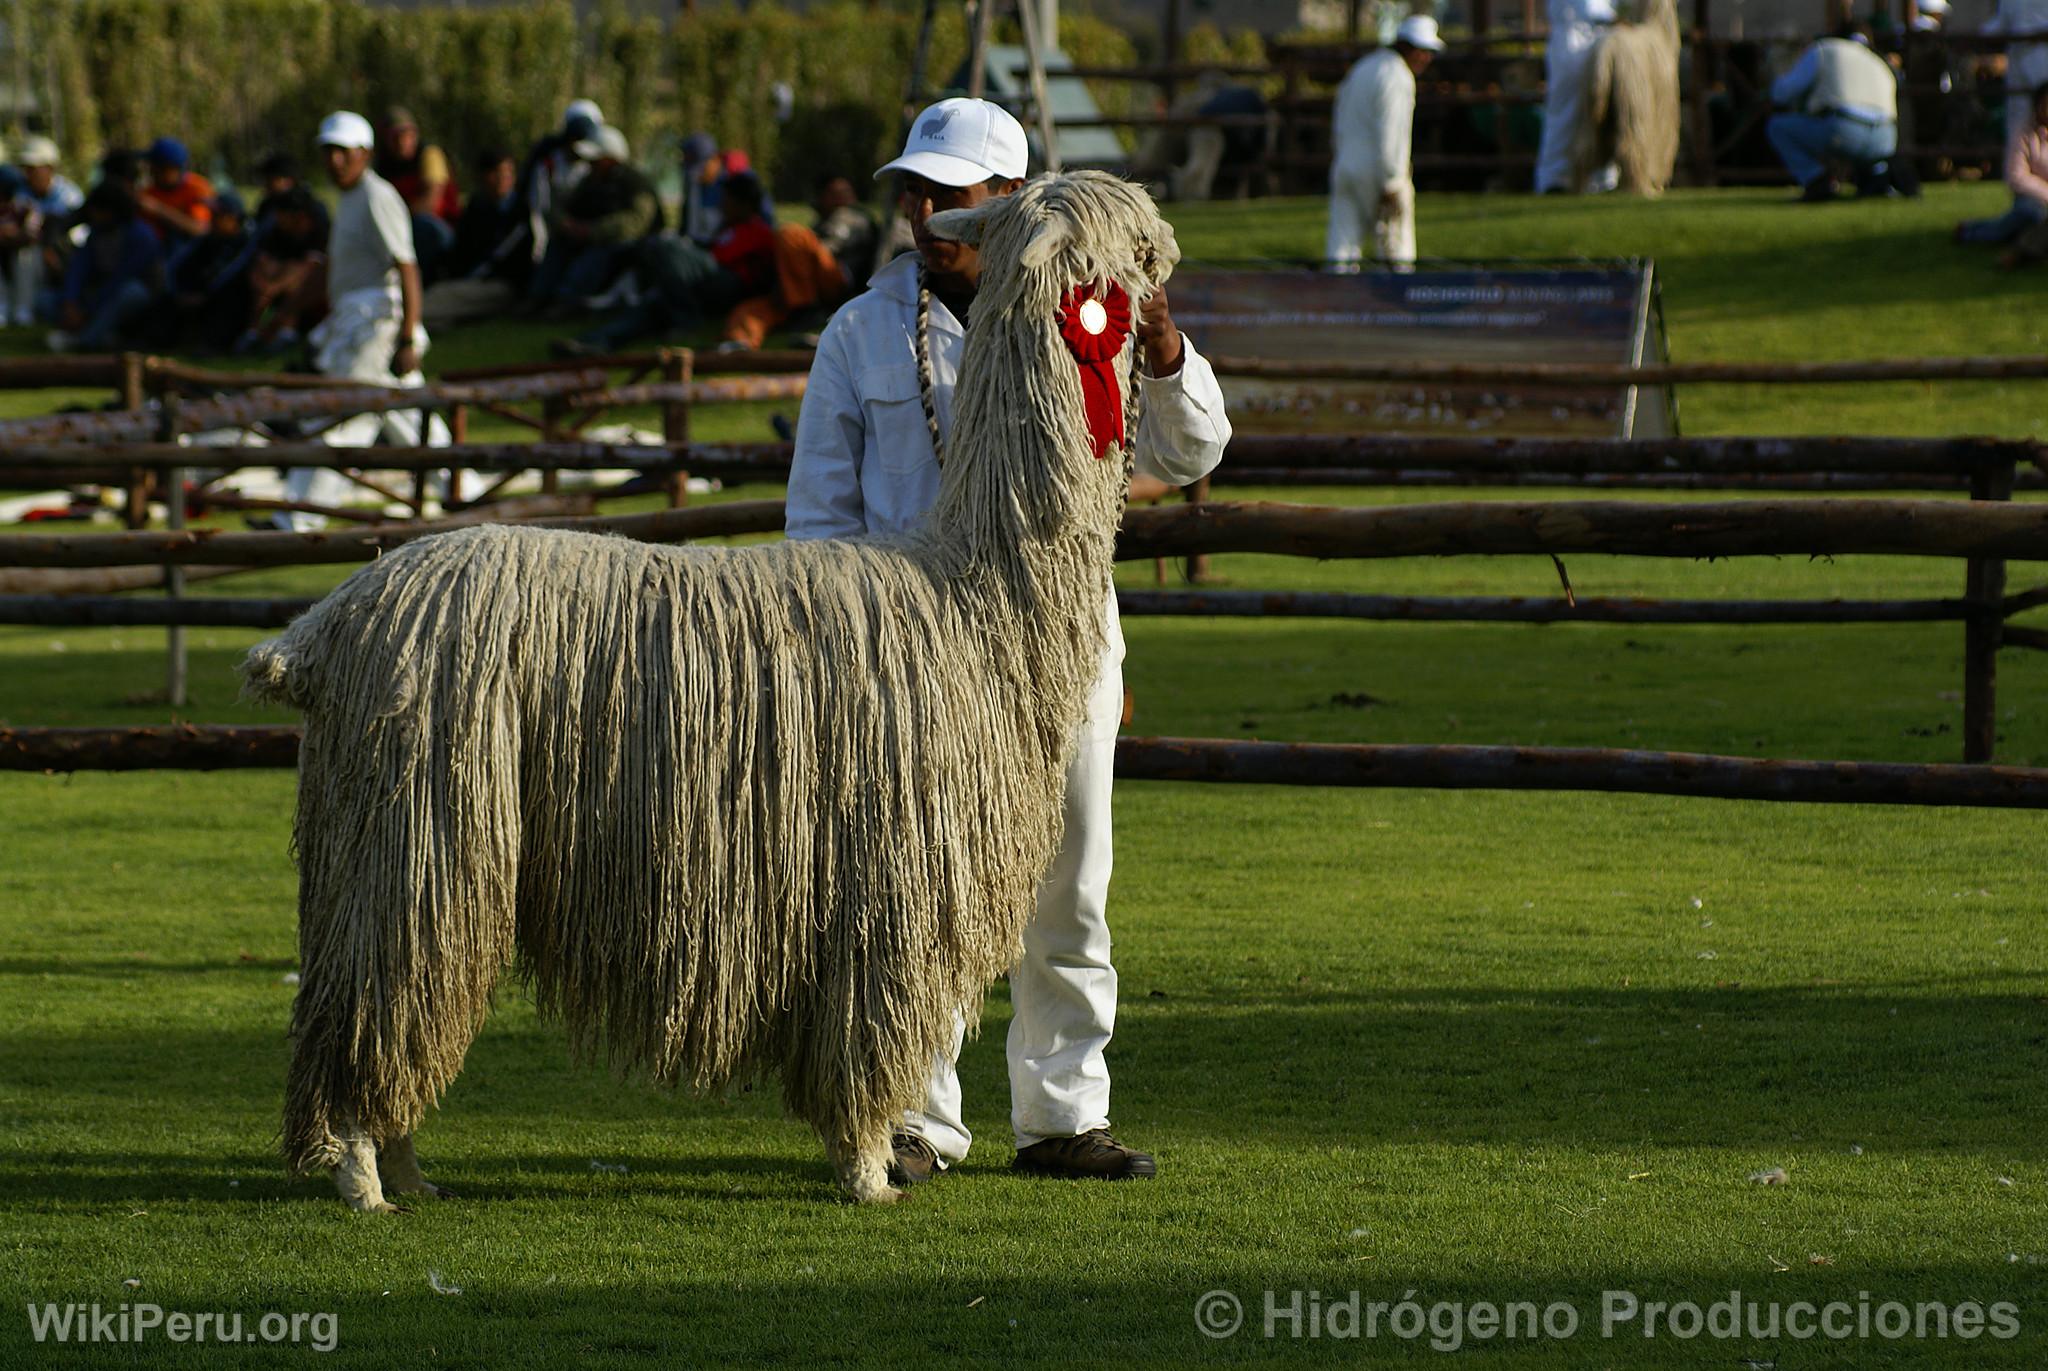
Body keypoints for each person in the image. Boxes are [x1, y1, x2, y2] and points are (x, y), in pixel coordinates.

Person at [787, 98, 1231, 1186]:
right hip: (910, 654)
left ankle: (1063, 1116)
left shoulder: (1090, 315)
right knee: (918, 877)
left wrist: (1160, 343)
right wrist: (844, 651)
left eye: (952, 195)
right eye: (916, 192)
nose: (927, 214)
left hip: (1061, 641)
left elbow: (1192, 450)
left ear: (1010, 203)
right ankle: (914, 1117)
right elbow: (818, 518)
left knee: (1070, 881)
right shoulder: (859, 332)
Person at [269, 110, 446, 531]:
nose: (335, 161)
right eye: (329, 152)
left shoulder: (376, 195)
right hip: (356, 322)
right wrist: (286, 312)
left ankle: (300, 519)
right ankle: (464, 487)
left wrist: (407, 335)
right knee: (409, 416)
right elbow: (336, 269)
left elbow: (406, 267)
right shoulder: (350, 199)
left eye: (343, 152)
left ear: (364, 153)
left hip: (376, 325)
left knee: (343, 417)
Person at [557, 169, 774, 354]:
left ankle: (687, 320)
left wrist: (683, 253)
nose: (722, 205)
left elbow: (718, 260)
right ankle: (595, 343)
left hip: (727, 285)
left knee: (662, 246)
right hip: (701, 286)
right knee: (652, 306)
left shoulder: (757, 231)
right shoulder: (729, 228)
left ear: (743, 204)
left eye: (727, 199)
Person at [1326, 15, 1443, 272]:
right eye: (1423, 51)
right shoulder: (1398, 76)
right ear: (1407, 47)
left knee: (1342, 246)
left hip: (1346, 164)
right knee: (1396, 248)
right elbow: (1392, 132)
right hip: (1378, 170)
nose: (1426, 58)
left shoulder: (1363, 67)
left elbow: (1340, 118)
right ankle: (1397, 295)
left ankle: (1336, 294)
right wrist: (1392, 181)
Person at [525, 124, 661, 314]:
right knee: (559, 243)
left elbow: (637, 221)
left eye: (596, 159)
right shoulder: (592, 180)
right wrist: (567, 223)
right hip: (592, 237)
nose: (590, 163)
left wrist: (592, 231)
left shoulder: (635, 182)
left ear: (611, 159)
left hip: (621, 244)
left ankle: (567, 300)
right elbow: (572, 206)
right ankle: (538, 296)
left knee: (599, 252)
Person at [1768, 25, 1900, 201]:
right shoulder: (1877, 59)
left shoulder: (1824, 48)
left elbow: (1783, 93)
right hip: (1886, 139)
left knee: (1778, 126)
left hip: (1844, 130)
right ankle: (1876, 180)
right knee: (1854, 132)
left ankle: (1816, 180)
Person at [44, 183, 161, 352]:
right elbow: (79, 268)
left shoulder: (141, 236)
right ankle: (99, 336)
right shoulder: (97, 232)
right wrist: (70, 302)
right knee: (46, 301)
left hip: (129, 296)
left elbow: (120, 280)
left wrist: (87, 311)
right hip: (98, 294)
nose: (93, 215)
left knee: (130, 292)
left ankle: (86, 340)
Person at [423, 148, 534, 327]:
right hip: (471, 281)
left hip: (502, 283)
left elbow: (503, 257)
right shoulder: (477, 207)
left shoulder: (522, 211)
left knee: (442, 296)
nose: (503, 178)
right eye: (496, 172)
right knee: (441, 293)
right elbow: (460, 250)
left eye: (508, 172)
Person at [1536, 0, 1619, 193]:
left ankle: (1603, 178)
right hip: (1573, 32)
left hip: (1604, 32)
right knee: (1565, 110)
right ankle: (1555, 180)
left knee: (1604, 109)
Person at [236, 185, 329, 355]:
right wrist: (265, 284)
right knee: (272, 270)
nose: (277, 218)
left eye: (281, 213)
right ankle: (253, 333)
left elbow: (309, 268)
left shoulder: (319, 232)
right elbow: (261, 261)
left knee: (295, 279)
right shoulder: (277, 233)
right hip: (274, 288)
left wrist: (274, 287)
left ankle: (286, 333)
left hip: (313, 299)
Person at [161, 188, 253, 351]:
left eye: (217, 215)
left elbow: (230, 275)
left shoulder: (245, 243)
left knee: (229, 300)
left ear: (233, 218)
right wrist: (181, 292)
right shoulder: (208, 240)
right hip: (199, 297)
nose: (212, 219)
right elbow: (178, 269)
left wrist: (206, 296)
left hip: (229, 304)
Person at [376, 107, 459, 279]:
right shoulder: (383, 166)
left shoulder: (429, 155)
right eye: (395, 137)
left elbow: (430, 202)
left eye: (407, 135)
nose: (402, 142)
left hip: (437, 231)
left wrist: (396, 218)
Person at [1960, 84, 2048, 243]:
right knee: (2033, 214)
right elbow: (2016, 177)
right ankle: (1970, 232)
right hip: (2032, 198)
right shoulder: (2023, 133)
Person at [137, 137, 215, 249]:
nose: (150, 171)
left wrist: (158, 210)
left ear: (171, 169)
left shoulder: (196, 189)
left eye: (154, 166)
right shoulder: (149, 192)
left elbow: (200, 230)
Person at [810, 173, 877, 287]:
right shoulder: (825, 220)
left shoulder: (849, 217)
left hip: (843, 274)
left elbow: (830, 247)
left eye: (844, 192)